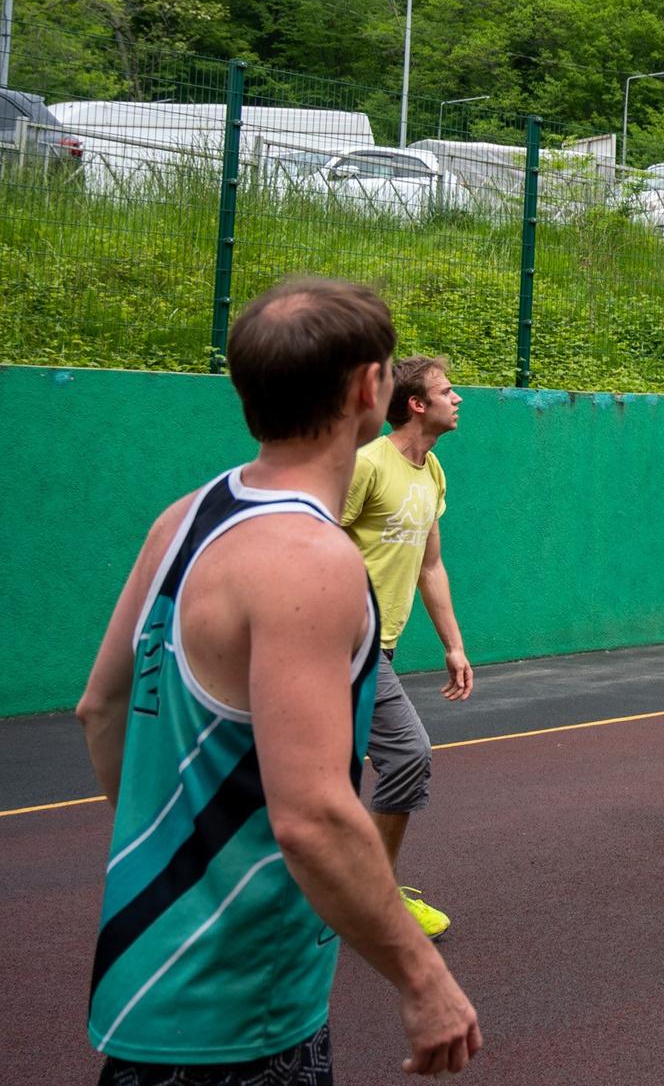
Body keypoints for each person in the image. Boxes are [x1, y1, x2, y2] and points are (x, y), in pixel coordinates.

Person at [76, 278, 481, 1083]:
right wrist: (422, 976)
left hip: (145, 988)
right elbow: (312, 815)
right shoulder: (311, 556)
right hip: (242, 1010)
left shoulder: (185, 515)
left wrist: (182, 861)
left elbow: (100, 706)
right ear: (371, 388)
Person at [339, 353, 473, 939]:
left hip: (380, 648)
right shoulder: (367, 464)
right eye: (448, 391)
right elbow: (315, 539)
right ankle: (372, 897)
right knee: (407, 754)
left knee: (333, 778)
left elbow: (431, 564)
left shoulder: (432, 471)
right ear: (417, 404)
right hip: (340, 644)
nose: (458, 398)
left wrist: (454, 646)